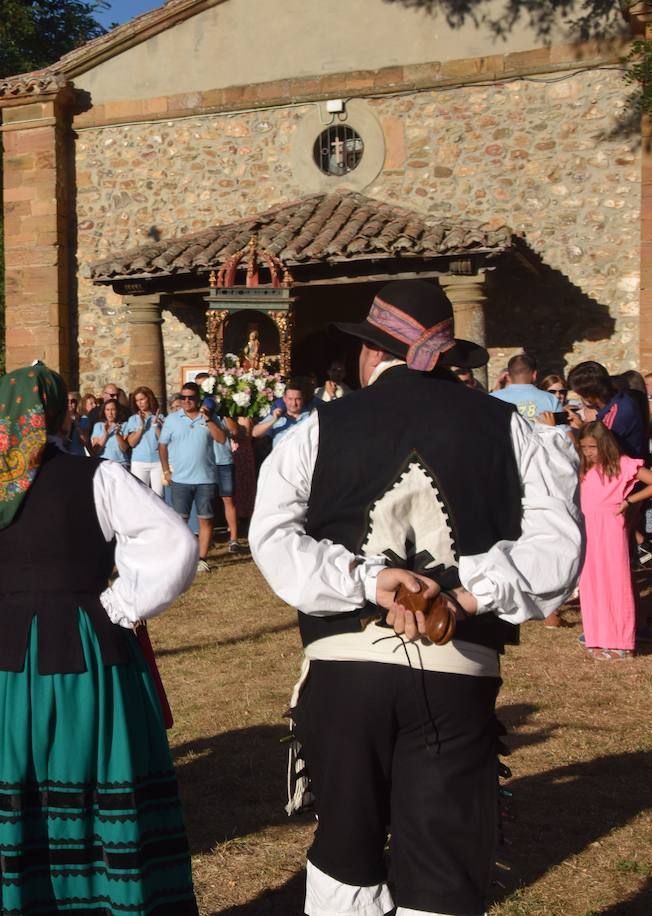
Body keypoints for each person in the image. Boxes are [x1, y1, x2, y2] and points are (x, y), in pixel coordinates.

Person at [249, 279, 581, 916]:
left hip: (345, 674)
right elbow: (559, 548)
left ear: (374, 354)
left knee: (346, 853)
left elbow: (272, 536)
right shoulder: (509, 426)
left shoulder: (316, 429)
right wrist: (462, 598)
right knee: (442, 865)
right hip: (457, 671)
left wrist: (365, 581)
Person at [0, 363, 199, 916]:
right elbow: (175, 544)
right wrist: (118, 606)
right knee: (87, 776)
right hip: (87, 650)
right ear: (57, 415)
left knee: (6, 783)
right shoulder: (99, 477)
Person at [576, 421, 652, 660]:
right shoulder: (583, 467)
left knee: (615, 582)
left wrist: (629, 501)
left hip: (611, 528)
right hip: (588, 529)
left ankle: (621, 641)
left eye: (592, 447)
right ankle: (597, 636)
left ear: (604, 444)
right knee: (591, 583)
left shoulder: (623, 464)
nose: (588, 452)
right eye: (584, 447)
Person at [160, 384, 227, 573]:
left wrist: (209, 420)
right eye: (183, 397)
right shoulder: (172, 420)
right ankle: (182, 558)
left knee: (205, 520)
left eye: (190, 397)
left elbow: (222, 439)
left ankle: (201, 558)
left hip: (205, 479)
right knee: (180, 523)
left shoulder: (210, 418)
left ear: (198, 399)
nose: (186, 401)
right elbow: (163, 446)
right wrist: (166, 471)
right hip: (180, 480)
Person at [568, 361, 649, 460]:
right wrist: (582, 425)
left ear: (589, 394)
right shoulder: (618, 401)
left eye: (580, 394)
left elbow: (598, 451)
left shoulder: (617, 413)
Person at [491, 353, 561, 423]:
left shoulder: (492, 399)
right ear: (534, 375)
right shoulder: (551, 399)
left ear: (508, 377)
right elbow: (565, 432)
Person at [124, 386, 164, 493]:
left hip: (158, 462)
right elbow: (131, 443)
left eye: (142, 399)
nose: (139, 403)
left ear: (149, 399)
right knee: (140, 495)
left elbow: (164, 442)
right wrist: (141, 428)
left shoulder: (160, 417)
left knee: (159, 496)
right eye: (137, 400)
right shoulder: (133, 419)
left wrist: (156, 426)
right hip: (139, 462)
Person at [214, 410, 242, 554]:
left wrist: (224, 413)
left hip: (224, 461)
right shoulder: (198, 414)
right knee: (205, 500)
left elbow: (234, 430)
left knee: (228, 499)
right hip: (205, 462)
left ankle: (234, 538)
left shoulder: (223, 416)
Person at [252, 380, 311, 448]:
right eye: (290, 399)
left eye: (298, 399)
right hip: (280, 458)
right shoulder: (277, 416)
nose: (294, 403)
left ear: (303, 399)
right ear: (284, 399)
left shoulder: (311, 417)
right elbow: (255, 433)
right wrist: (273, 421)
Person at [90, 398, 130, 467]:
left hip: (121, 464)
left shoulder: (125, 425)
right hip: (103, 464)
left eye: (113, 409)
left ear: (117, 411)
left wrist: (117, 434)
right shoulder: (98, 426)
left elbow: (125, 448)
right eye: (107, 410)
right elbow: (96, 451)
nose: (110, 413)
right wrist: (106, 434)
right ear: (104, 411)